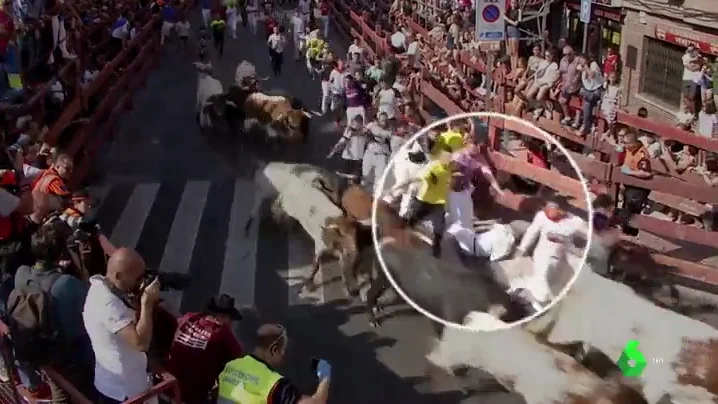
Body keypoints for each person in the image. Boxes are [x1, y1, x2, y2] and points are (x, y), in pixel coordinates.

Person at [14, 222, 93, 402]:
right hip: (73, 356)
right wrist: (79, 267)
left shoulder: (21, 274)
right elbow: (91, 297)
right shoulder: (65, 284)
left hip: (42, 352)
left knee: (60, 392)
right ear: (61, 253)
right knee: (86, 394)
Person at [83, 248, 161, 404]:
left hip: (113, 382)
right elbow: (140, 343)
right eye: (138, 277)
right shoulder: (109, 305)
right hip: (123, 391)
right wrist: (147, 303)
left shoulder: (100, 287)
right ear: (118, 276)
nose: (142, 281)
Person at [216, 324, 330, 404]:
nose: (284, 354)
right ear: (274, 350)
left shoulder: (230, 366)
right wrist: (324, 378)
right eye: (283, 350)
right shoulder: (274, 384)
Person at [167, 294, 244, 404]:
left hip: (165, 390)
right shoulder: (222, 333)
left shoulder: (188, 318)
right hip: (192, 399)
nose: (231, 324)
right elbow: (240, 362)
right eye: (230, 319)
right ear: (221, 318)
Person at [514, 201, 587, 308]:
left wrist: (581, 251)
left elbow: (589, 236)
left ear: (562, 211)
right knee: (542, 283)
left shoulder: (575, 222)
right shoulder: (541, 216)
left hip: (561, 259)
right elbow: (532, 232)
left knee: (555, 286)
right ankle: (534, 302)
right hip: (541, 256)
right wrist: (522, 248)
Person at [390, 151, 454, 257]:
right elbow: (420, 177)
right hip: (424, 200)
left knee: (439, 227)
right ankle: (399, 237)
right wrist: (402, 184)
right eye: (446, 157)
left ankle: (436, 247)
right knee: (413, 219)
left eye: (449, 157)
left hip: (439, 202)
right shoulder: (433, 167)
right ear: (441, 157)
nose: (448, 159)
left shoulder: (449, 169)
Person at [615, 131, 652, 236]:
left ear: (634, 143)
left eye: (627, 143)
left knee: (633, 209)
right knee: (627, 206)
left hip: (639, 187)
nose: (625, 145)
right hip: (629, 184)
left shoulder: (642, 154)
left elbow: (646, 173)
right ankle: (624, 230)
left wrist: (630, 172)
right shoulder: (629, 149)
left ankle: (630, 233)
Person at [327, 114, 367, 183]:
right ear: (353, 122)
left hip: (358, 159)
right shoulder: (348, 131)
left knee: (355, 180)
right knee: (342, 180)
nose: (356, 125)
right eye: (355, 123)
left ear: (361, 123)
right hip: (347, 158)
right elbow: (342, 140)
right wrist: (334, 150)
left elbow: (364, 134)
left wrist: (355, 133)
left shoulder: (364, 131)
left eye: (359, 123)